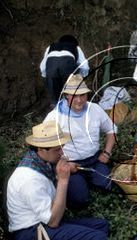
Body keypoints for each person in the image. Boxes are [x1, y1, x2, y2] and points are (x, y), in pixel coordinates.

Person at [44, 74, 117, 208]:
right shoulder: (55, 116)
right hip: (71, 164)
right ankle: (73, 182)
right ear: (66, 95)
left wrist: (107, 153)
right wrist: (63, 163)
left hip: (94, 160)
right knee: (79, 201)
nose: (79, 100)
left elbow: (111, 130)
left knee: (106, 185)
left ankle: (89, 179)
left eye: (82, 95)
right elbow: (44, 147)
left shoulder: (94, 109)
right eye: (74, 96)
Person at [40, 34, 90, 105]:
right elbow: (84, 66)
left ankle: (57, 110)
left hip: (51, 69)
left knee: (55, 98)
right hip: (67, 67)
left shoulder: (50, 47)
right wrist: (81, 77)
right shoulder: (76, 47)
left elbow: (42, 67)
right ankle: (71, 109)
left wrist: (47, 78)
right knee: (70, 94)